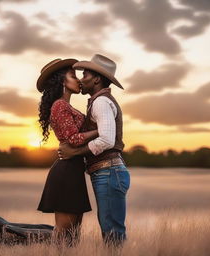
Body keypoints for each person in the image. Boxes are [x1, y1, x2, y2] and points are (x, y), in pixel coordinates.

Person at [58, 54, 130, 246]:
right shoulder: (100, 101)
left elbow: (106, 140)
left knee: (112, 231)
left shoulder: (101, 102)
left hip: (109, 171)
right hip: (108, 171)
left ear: (97, 78)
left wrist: (74, 152)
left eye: (85, 75)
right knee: (110, 228)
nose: (81, 79)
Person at [36, 58, 98, 246]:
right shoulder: (60, 105)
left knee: (73, 235)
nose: (78, 80)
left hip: (73, 169)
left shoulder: (66, 105)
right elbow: (73, 138)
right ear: (62, 81)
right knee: (64, 234)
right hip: (66, 171)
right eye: (73, 76)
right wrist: (101, 130)